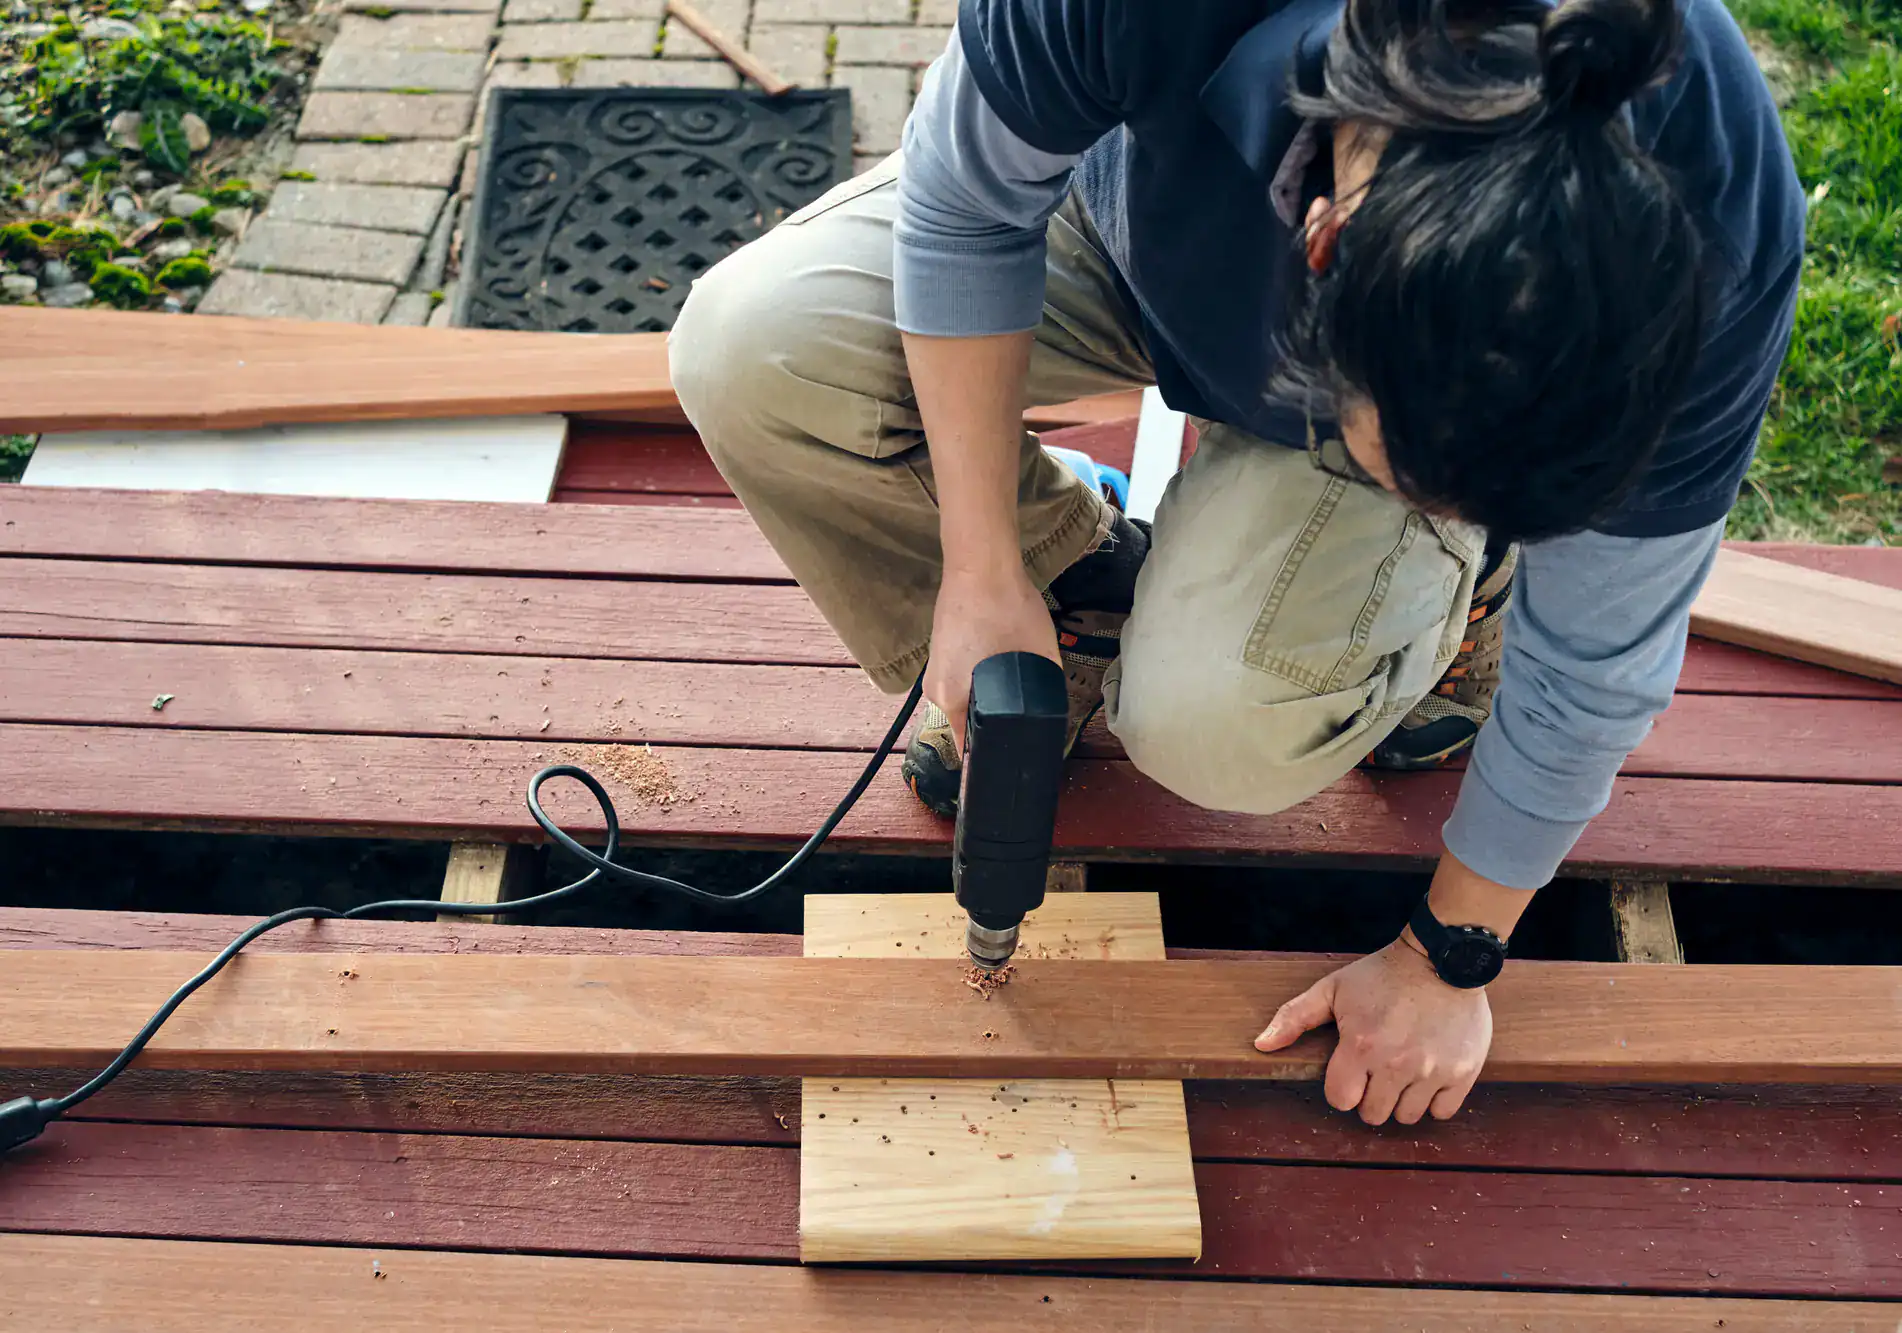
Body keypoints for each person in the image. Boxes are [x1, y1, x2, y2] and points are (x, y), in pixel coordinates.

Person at [669, 0, 1802, 1126]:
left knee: (1213, 730)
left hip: (1368, 349)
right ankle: (1083, 595)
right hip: (1122, 216)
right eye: (1427, 486)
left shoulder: (1708, 244)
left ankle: (1466, 599)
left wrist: (1448, 957)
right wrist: (980, 567)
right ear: (1320, 253)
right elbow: (965, 214)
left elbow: (1600, 661)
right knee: (755, 348)